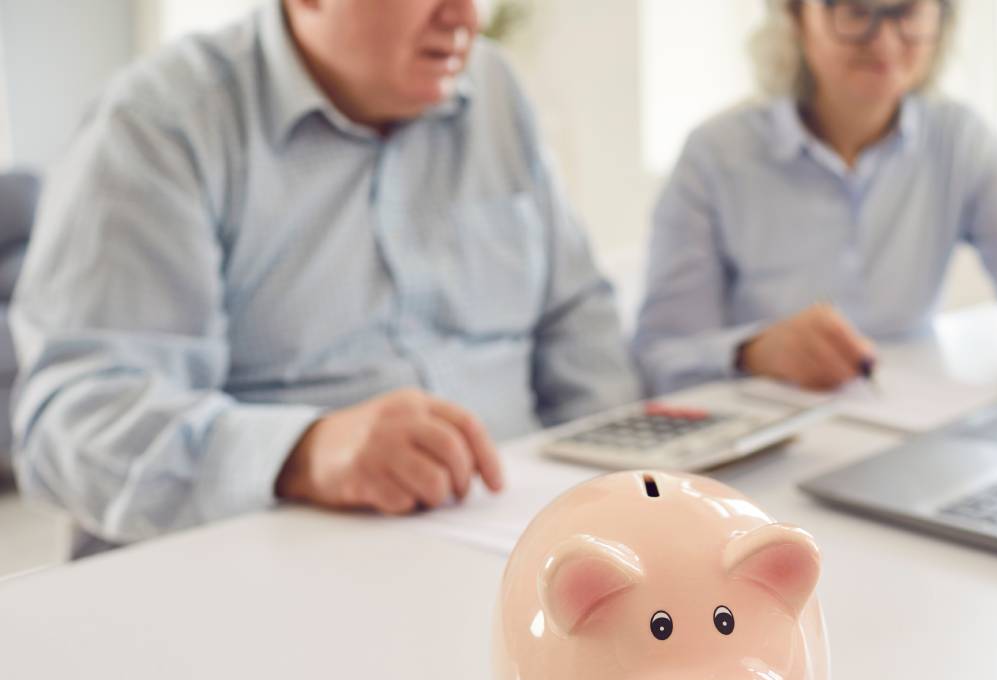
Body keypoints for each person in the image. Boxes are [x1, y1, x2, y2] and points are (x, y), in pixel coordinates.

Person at [9, 0, 639, 553]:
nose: (464, 16)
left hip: (519, 548)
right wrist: (301, 454)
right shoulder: (160, 121)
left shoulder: (496, 88)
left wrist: (628, 493)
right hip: (263, 566)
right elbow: (72, 418)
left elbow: (577, 322)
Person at [633, 0, 997, 396]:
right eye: (855, 10)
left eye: (907, 11)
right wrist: (752, 352)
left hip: (907, 423)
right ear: (796, 17)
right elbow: (661, 353)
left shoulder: (960, 139)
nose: (884, 42)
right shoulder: (716, 153)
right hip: (763, 439)